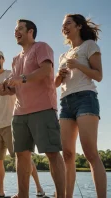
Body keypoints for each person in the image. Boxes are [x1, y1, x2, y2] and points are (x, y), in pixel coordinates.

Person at [0, 19, 66, 198]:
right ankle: (23, 195)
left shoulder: (41, 47)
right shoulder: (15, 59)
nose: (16, 32)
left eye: (20, 28)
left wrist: (20, 79)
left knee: (52, 153)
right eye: (15, 29)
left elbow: (45, 71)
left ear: (31, 32)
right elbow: (16, 86)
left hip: (43, 108)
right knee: (21, 155)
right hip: (19, 113)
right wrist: (7, 90)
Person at [0, 49, 45, 197]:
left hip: (13, 121)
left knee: (23, 157)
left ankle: (39, 189)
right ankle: (0, 191)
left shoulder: (11, 74)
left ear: (3, 60)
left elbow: (21, 91)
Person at [55, 14, 106, 198]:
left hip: (86, 98)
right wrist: (59, 77)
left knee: (90, 152)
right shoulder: (63, 55)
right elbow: (55, 84)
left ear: (78, 26)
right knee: (67, 154)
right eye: (62, 25)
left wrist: (78, 65)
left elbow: (98, 75)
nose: (64, 27)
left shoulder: (90, 45)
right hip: (65, 102)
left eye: (68, 23)